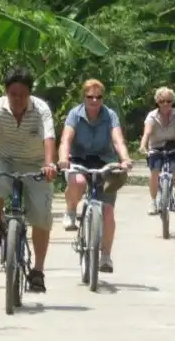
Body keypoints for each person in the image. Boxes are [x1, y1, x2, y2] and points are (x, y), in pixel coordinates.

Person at [0, 66, 58, 293]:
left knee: (41, 216)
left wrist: (50, 165)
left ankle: (38, 271)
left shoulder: (41, 110)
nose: (18, 99)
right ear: (6, 92)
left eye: (23, 95)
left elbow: (48, 138)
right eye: (13, 94)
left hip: (35, 163)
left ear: (30, 94)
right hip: (4, 159)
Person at [58, 79, 132, 273]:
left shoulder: (110, 115)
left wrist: (124, 159)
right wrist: (63, 159)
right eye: (90, 97)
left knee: (107, 210)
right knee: (79, 181)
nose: (94, 101)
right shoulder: (75, 114)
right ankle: (71, 210)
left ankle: (106, 256)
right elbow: (66, 139)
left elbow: (117, 140)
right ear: (84, 97)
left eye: (98, 97)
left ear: (103, 98)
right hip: (79, 160)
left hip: (104, 163)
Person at [138, 87, 175, 215]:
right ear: (157, 102)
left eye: (168, 101)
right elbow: (147, 132)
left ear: (172, 101)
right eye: (162, 101)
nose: (165, 104)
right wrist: (143, 146)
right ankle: (153, 202)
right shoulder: (152, 116)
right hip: (156, 146)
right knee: (154, 172)